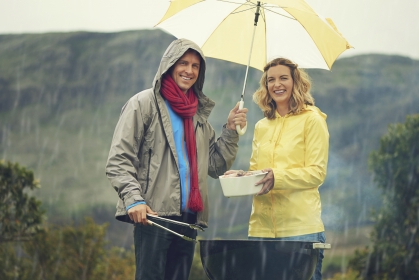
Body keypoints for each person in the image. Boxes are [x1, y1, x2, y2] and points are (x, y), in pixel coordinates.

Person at [105, 38, 248, 280]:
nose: (189, 70)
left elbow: (215, 166)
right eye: (183, 63)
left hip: (189, 219)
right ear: (169, 65)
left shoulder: (197, 115)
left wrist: (231, 130)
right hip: (153, 216)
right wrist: (133, 200)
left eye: (195, 66)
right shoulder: (143, 104)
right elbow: (119, 159)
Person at [225, 57, 329, 280]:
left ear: (295, 82)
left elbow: (317, 172)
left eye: (284, 78)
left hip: (300, 231)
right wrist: (242, 176)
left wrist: (277, 177)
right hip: (261, 231)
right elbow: (258, 172)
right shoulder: (262, 126)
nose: (277, 84)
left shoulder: (313, 120)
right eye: (271, 79)